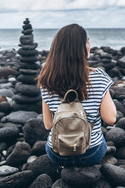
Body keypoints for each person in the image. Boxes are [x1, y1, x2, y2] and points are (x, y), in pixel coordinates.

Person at [37, 24, 117, 167]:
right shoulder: (98, 77)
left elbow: (48, 125)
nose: (89, 45)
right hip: (90, 152)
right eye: (87, 42)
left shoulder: (46, 78)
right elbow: (110, 119)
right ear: (79, 48)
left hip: (57, 153)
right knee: (100, 140)